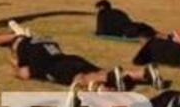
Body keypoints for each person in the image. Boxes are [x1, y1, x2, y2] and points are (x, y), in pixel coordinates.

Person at [9, 34, 164, 92]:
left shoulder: (24, 48)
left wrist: (14, 64)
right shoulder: (43, 40)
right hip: (72, 58)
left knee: (81, 79)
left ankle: (110, 77)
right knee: (98, 73)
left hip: (57, 67)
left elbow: (24, 73)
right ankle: (142, 73)